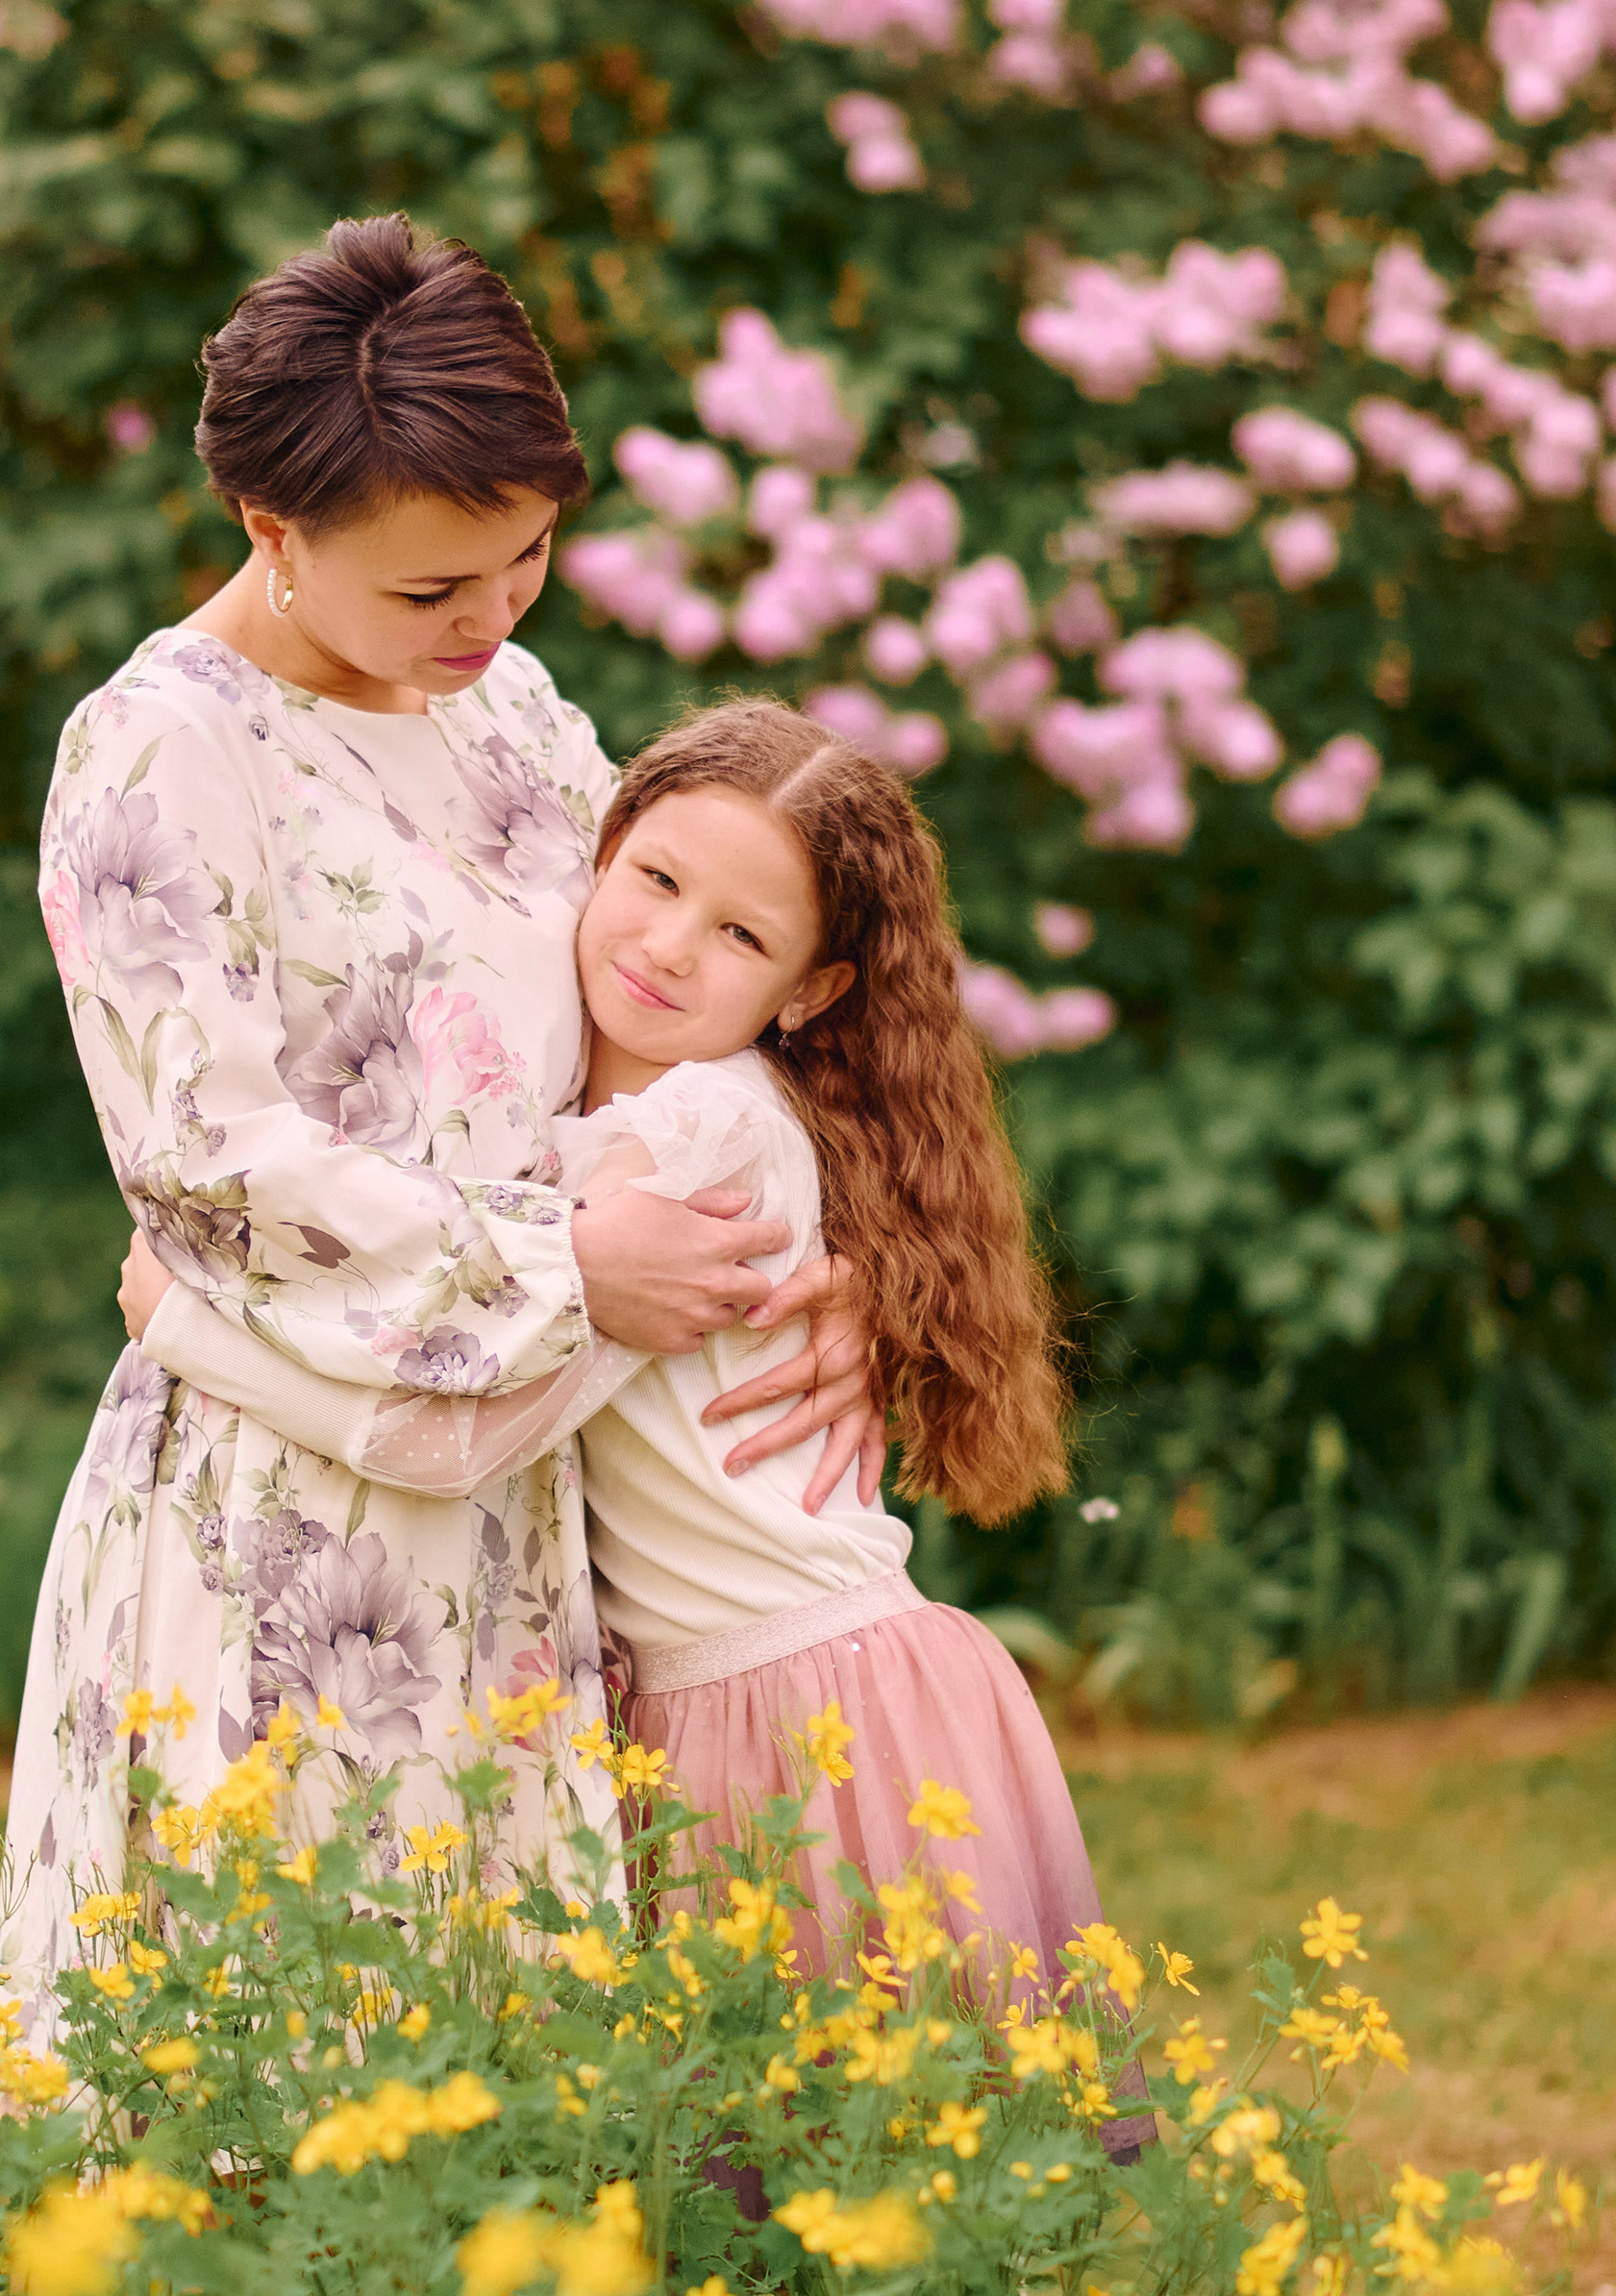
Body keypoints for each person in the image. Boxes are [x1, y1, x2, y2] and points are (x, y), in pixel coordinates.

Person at [0, 223, 889, 2038]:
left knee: (499, 2059)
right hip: (288, 1493)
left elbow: (686, 1001)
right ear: (270, 528)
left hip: (532, 1490)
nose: (492, 620)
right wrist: (571, 1270)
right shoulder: (161, 754)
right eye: (432, 589)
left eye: (528, 558)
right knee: (282, 2042)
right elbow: (210, 1161)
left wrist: (808, 1256)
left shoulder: (513, 720)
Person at [133, 702, 1147, 2156]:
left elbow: (463, 1443)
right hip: (743, 1692)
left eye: (742, 936)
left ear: (810, 991)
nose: (670, 946)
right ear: (598, 854)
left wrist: (185, 1324)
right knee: (791, 2177)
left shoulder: (690, 1144)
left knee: (862, 2172)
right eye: (657, 879)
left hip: (798, 1708)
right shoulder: (635, 1115)